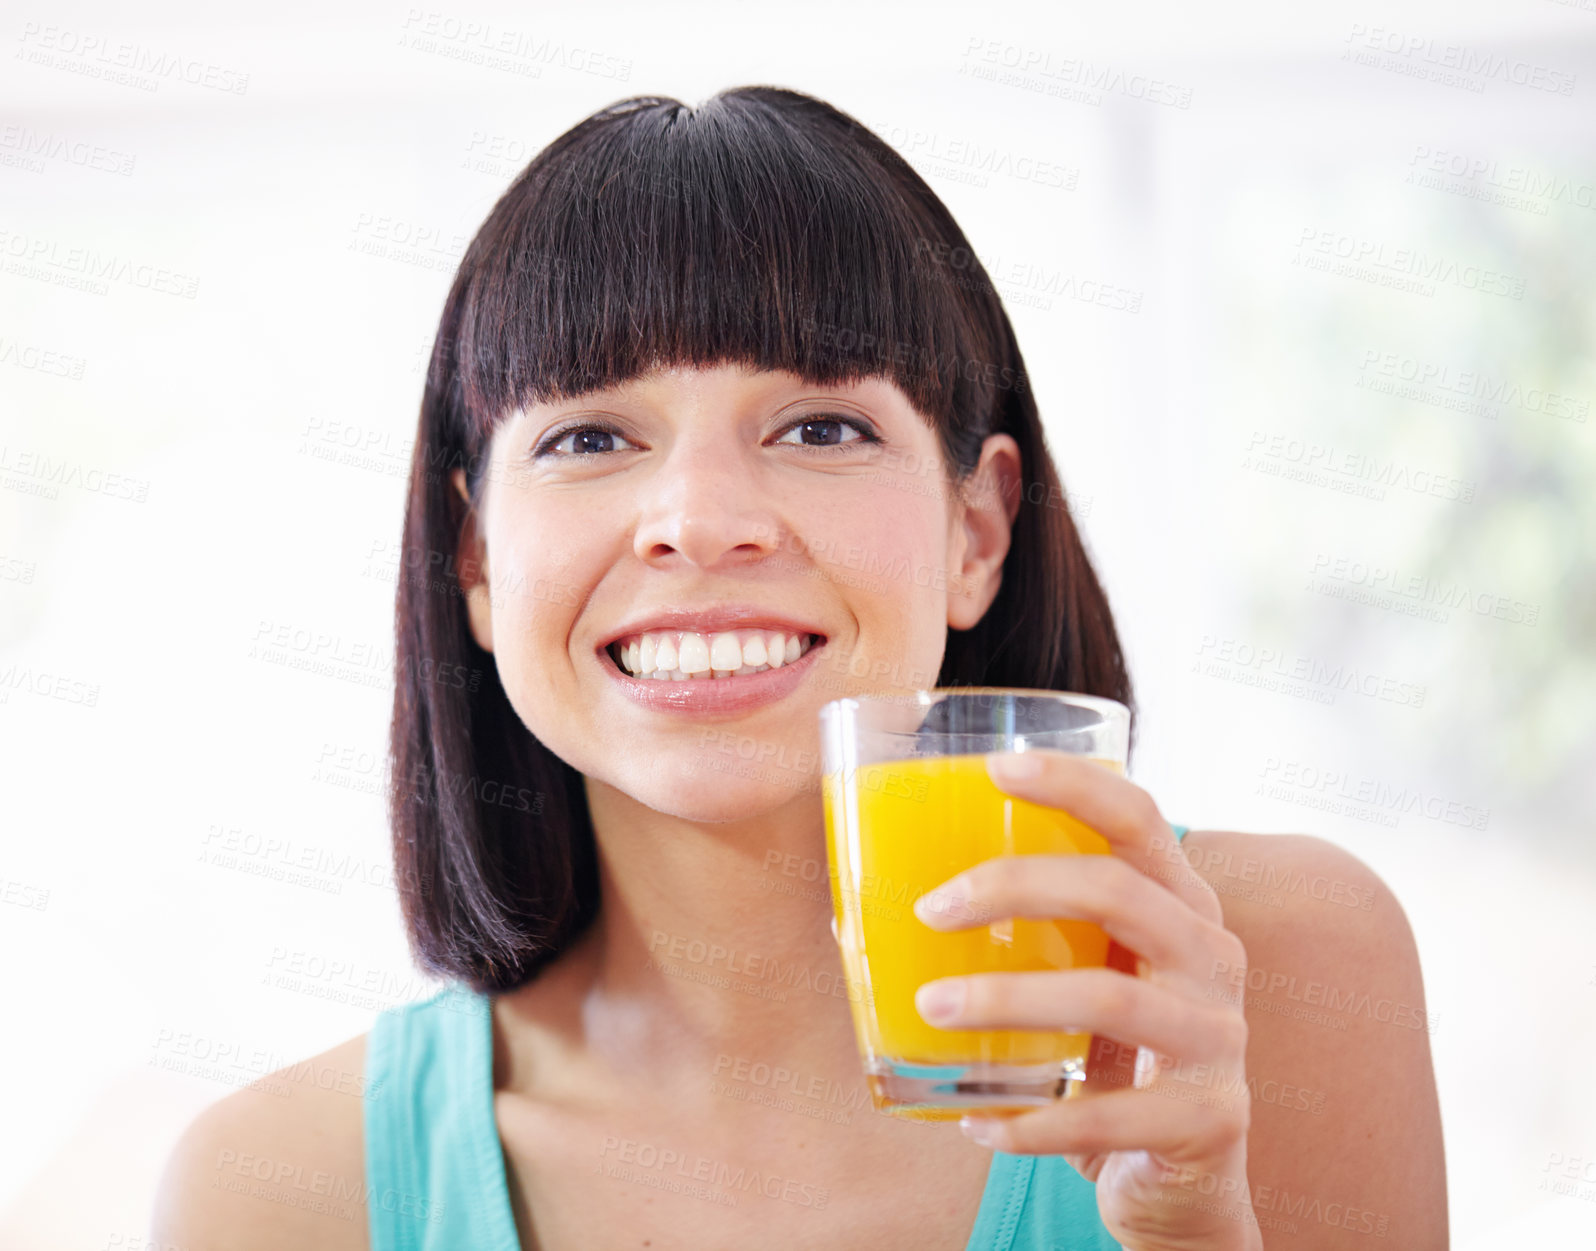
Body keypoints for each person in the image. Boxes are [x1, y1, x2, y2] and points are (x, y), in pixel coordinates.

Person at [152, 86, 1447, 1249]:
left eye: (821, 424)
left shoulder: (1273, 979)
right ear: (477, 559)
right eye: (591, 435)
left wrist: (1197, 1236)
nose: (701, 519)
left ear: (977, 532)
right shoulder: (272, 1195)